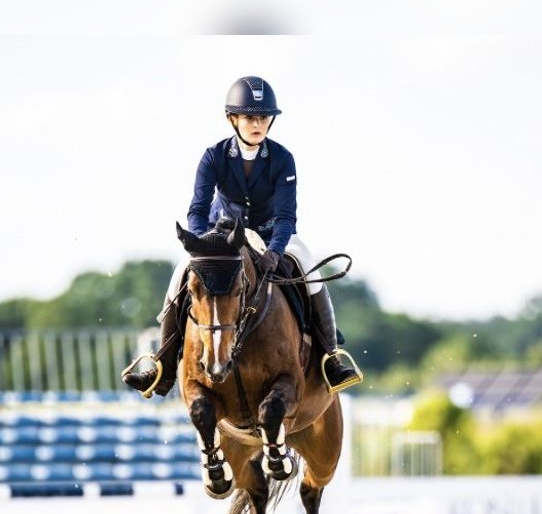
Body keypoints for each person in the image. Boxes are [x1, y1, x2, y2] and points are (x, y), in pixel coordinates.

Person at [122, 75, 362, 397]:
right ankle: (162, 364)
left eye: (263, 117)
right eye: (250, 117)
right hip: (223, 236)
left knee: (309, 266)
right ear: (233, 119)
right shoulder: (213, 156)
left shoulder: (282, 159)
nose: (257, 123)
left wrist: (275, 252)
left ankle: (331, 357)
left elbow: (286, 217)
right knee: (182, 270)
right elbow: (197, 209)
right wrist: (201, 244)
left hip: (270, 233)